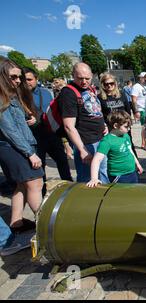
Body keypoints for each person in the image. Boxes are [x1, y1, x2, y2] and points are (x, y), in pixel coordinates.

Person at [0, 59, 44, 234]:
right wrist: (30, 153)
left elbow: (16, 124)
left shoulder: (11, 95)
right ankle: (45, 224)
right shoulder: (2, 98)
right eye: (13, 77)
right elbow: (9, 130)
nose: (18, 81)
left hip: (16, 147)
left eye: (19, 77)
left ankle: (16, 223)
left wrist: (29, 120)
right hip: (14, 148)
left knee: (21, 186)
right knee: (35, 184)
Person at [60, 62, 108, 184]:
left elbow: (95, 111)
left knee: (102, 174)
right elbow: (69, 126)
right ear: (73, 75)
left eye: (87, 78)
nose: (84, 82)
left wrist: (104, 125)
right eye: (80, 78)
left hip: (100, 140)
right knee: (87, 180)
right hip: (86, 143)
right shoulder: (68, 93)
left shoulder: (90, 88)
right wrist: (82, 150)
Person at [23, 68, 73, 185]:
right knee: (40, 167)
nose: (27, 82)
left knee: (62, 162)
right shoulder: (18, 96)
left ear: (36, 79)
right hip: (33, 138)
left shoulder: (45, 93)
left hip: (51, 135)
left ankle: (68, 187)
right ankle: (43, 194)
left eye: (29, 79)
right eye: (24, 80)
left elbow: (55, 117)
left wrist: (65, 142)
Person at [86, 111, 143, 187]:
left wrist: (137, 163)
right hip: (119, 176)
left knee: (133, 194)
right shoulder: (107, 141)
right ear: (116, 125)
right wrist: (94, 178)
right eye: (126, 127)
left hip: (132, 172)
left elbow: (130, 151)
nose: (128, 129)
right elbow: (97, 160)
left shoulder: (125, 136)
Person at [98, 73, 137, 156]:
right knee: (115, 149)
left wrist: (129, 123)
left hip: (124, 127)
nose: (109, 86)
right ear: (102, 85)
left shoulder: (121, 95)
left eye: (111, 83)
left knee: (129, 146)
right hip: (111, 129)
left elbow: (127, 109)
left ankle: (135, 166)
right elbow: (100, 114)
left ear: (115, 83)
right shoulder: (100, 98)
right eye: (106, 84)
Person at [131, 72, 146, 150]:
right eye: (143, 77)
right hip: (141, 109)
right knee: (145, 127)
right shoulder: (136, 87)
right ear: (140, 78)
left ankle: (143, 143)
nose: (144, 79)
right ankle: (144, 144)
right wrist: (136, 111)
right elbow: (134, 100)